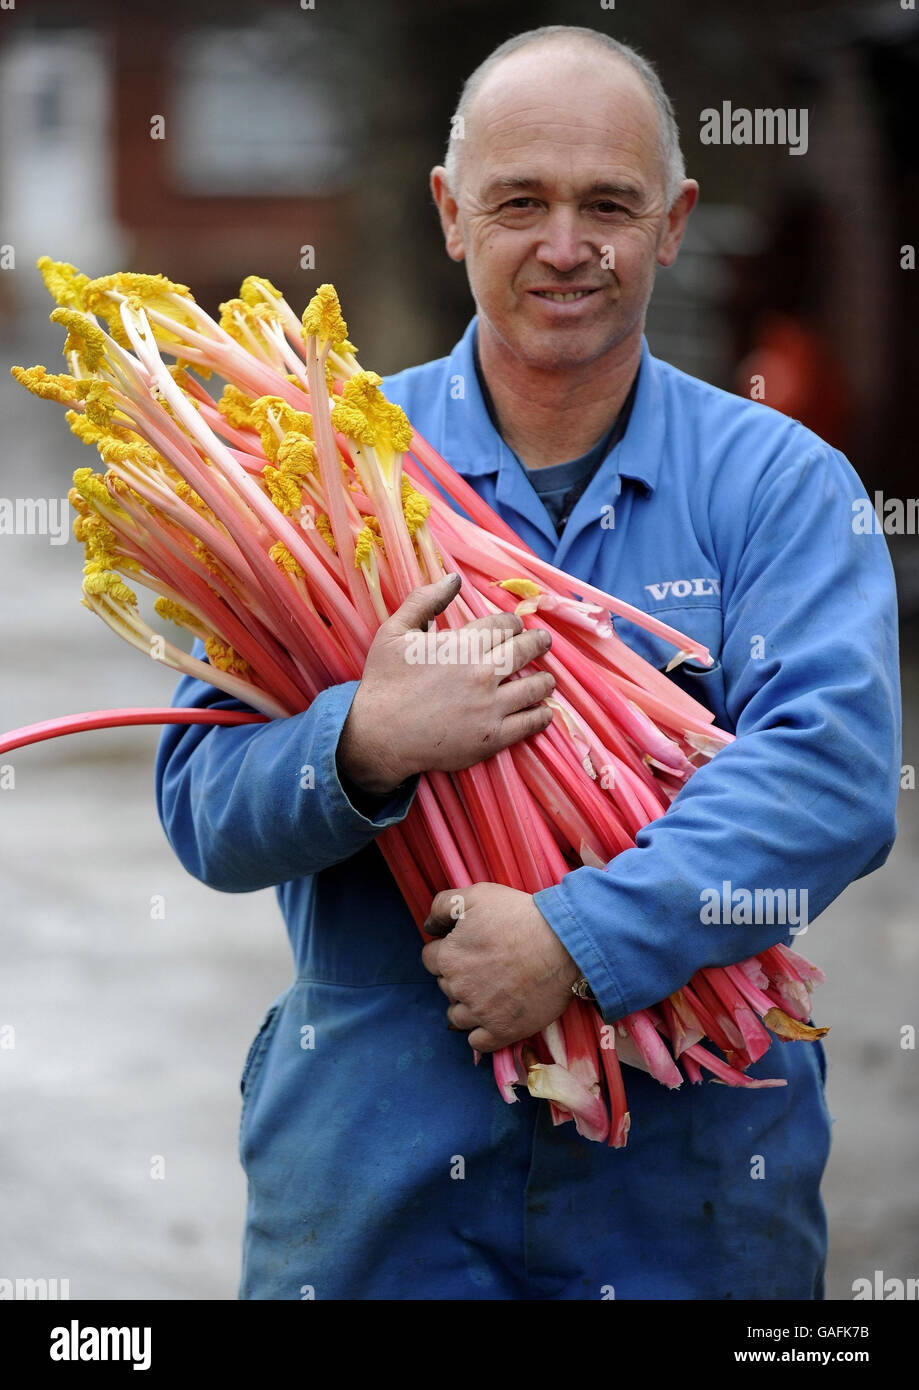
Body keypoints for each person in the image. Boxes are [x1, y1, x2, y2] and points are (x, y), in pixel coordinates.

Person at [155, 25, 900, 1300]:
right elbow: (205, 814)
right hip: (374, 1174)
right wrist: (364, 739)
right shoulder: (321, 480)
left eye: (608, 203)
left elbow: (829, 779)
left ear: (673, 223)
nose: (565, 246)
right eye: (520, 203)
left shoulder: (777, 485)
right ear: (451, 215)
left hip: (696, 1186)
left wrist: (577, 939)